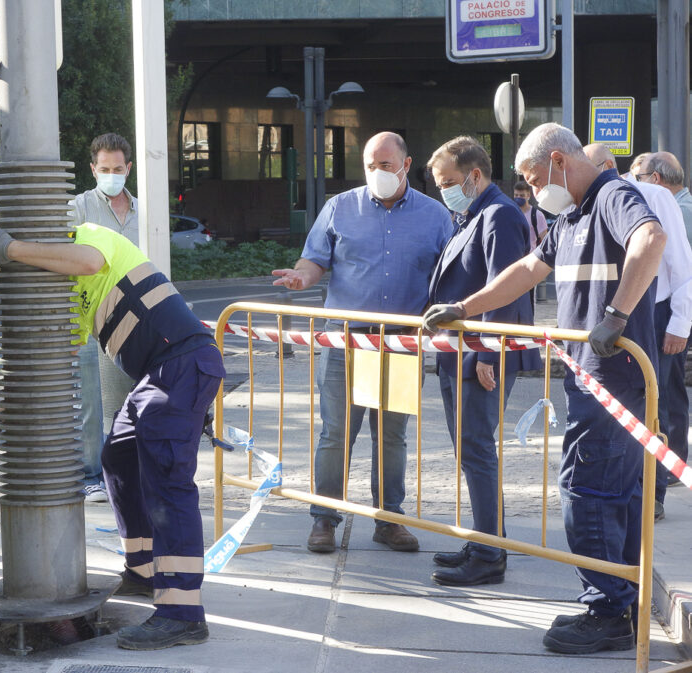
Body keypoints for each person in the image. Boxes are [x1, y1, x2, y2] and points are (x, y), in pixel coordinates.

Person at [425, 123, 666, 655]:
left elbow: (651, 238)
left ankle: (606, 611)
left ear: (559, 160)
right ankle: (620, 603)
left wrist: (616, 314)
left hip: (614, 381)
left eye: (535, 181)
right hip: (592, 379)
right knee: (614, 495)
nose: (534, 193)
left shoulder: (611, 196)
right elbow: (527, 269)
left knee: (589, 492)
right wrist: (466, 309)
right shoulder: (571, 214)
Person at [0, 221, 225, 651]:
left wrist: (12, 248)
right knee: (118, 458)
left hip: (181, 365)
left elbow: (90, 261)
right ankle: (143, 571)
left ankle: (182, 613)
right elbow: (51, 358)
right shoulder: (71, 292)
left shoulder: (86, 238)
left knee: (168, 488)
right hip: (158, 374)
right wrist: (5, 412)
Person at [272, 131, 454, 554]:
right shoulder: (340, 207)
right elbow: (315, 259)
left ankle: (389, 519)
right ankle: (324, 519)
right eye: (370, 166)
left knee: (392, 436)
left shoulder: (435, 216)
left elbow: (448, 274)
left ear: (406, 166)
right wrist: (303, 276)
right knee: (337, 433)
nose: (377, 173)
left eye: (386, 165)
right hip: (345, 341)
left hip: (401, 343)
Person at [425, 136, 541, 586]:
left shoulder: (501, 215)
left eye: (450, 181)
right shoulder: (471, 213)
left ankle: (490, 553)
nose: (445, 190)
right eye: (439, 184)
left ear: (475, 174)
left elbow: (504, 288)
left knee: (475, 447)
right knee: (469, 449)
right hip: (461, 353)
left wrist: (488, 353)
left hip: (481, 354)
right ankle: (486, 539)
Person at [586, 144, 692, 521]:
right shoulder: (585, 202)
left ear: (607, 167)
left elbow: (679, 262)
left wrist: (680, 323)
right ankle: (621, 486)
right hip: (609, 313)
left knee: (653, 406)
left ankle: (653, 492)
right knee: (616, 406)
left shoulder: (653, 196)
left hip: (654, 313)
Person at [69, 133, 139, 503]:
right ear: (93, 169)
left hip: (138, 315)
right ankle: (91, 474)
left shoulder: (146, 210)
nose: (111, 174)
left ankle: (129, 470)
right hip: (93, 314)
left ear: (128, 169)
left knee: (133, 396)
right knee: (92, 399)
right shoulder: (77, 208)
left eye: (117, 168)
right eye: (104, 169)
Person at [513, 180, 548, 250]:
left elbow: (545, 242)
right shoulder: (510, 213)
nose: (518, 197)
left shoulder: (537, 215)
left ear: (528, 195)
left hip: (530, 257)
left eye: (522, 195)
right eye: (516, 195)